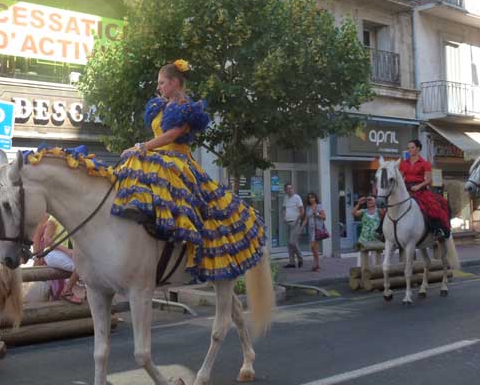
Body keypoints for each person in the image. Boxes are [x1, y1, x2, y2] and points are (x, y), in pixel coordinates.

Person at [111, 59, 266, 281]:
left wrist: (142, 147)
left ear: (174, 82)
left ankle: (178, 239)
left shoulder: (187, 107)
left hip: (177, 158)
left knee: (175, 193)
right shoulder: (162, 105)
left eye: (162, 82)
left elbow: (172, 135)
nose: (159, 87)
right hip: (159, 156)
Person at [399, 139, 451, 238]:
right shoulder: (404, 163)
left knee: (433, 207)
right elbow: (401, 178)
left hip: (420, 189)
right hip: (406, 188)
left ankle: (437, 229)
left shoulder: (424, 163)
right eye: (408, 148)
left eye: (412, 148)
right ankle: (382, 231)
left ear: (418, 149)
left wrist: (418, 186)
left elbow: (429, 180)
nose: (410, 150)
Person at [30, 214, 82, 304]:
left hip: (66, 254)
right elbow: (46, 239)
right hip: (53, 253)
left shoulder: (72, 217)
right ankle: (67, 291)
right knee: (81, 267)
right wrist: (68, 251)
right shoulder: (54, 219)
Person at [282, 183, 305, 268]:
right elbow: (284, 208)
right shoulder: (286, 198)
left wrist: (297, 220)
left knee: (292, 242)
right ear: (285, 190)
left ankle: (300, 258)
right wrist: (283, 217)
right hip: (287, 222)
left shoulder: (297, 197)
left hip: (295, 222)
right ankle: (291, 262)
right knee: (289, 243)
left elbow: (302, 211)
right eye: (288, 189)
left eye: (291, 188)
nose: (290, 190)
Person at [302, 192, 326, 272]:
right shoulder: (308, 207)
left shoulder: (319, 206)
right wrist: (301, 227)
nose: (311, 199)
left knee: (313, 247)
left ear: (315, 198)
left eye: (312, 197)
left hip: (317, 229)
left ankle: (317, 264)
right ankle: (316, 264)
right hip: (311, 229)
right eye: (309, 198)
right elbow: (306, 219)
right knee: (314, 248)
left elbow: (324, 217)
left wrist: (317, 214)